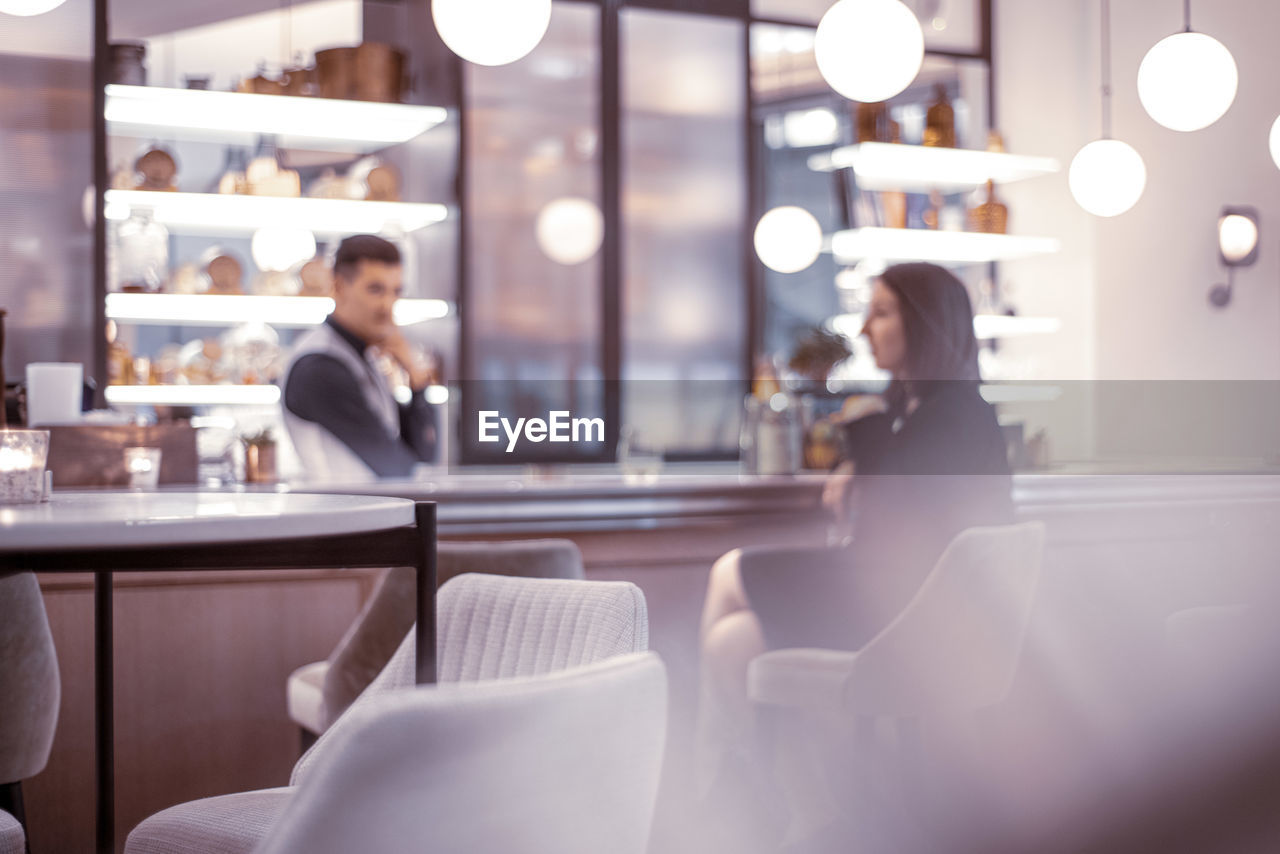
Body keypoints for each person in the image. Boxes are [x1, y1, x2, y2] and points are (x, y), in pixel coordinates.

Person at [696, 262, 1014, 799]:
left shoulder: (951, 415)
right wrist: (859, 456)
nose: (865, 328)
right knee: (734, 643)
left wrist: (864, 429)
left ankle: (713, 781)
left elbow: (899, 521)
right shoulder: (941, 413)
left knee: (728, 571)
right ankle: (807, 807)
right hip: (904, 605)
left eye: (882, 313)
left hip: (904, 613)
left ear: (925, 323)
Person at [282, 235, 437, 482]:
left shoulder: (363, 356)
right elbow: (395, 466)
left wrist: (415, 377)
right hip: (335, 516)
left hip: (362, 514)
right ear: (339, 287)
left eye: (395, 291)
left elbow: (422, 454)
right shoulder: (321, 367)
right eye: (375, 290)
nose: (388, 305)